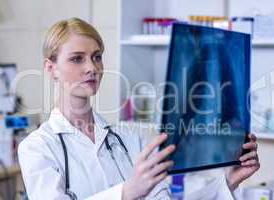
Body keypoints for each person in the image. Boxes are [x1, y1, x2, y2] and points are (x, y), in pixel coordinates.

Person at [18, 18, 260, 200]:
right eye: (77, 58)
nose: (92, 67)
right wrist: (126, 192)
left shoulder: (129, 141)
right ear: (51, 68)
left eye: (97, 56)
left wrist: (226, 183)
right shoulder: (37, 148)